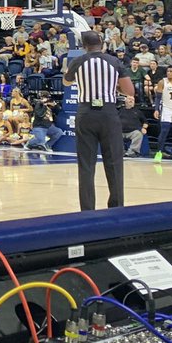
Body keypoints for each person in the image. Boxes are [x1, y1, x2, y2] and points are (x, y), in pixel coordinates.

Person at [64, 31, 134, 210]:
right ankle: (116, 207)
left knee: (86, 165)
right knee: (114, 162)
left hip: (86, 113)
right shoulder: (114, 61)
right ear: (102, 43)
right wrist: (114, 87)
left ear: (84, 46)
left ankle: (87, 210)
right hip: (108, 114)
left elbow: (66, 82)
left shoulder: (78, 61)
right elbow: (129, 91)